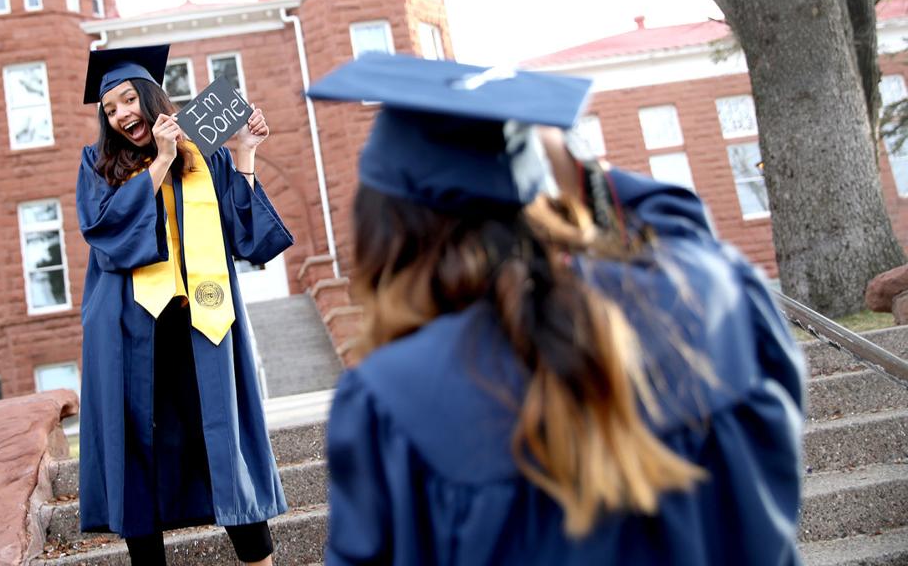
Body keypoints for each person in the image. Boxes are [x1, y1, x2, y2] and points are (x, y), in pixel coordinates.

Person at [306, 54, 806, 565]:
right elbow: (680, 224)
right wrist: (565, 159)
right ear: (546, 193)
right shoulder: (709, 297)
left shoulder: (394, 402)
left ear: (382, 235)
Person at [76, 44, 294, 566]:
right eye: (111, 109)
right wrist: (162, 161)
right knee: (136, 452)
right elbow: (105, 233)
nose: (122, 113)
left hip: (203, 323)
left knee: (225, 444)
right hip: (130, 327)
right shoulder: (98, 164)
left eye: (129, 99)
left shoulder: (206, 151)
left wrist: (243, 152)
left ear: (151, 98)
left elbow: (247, 238)